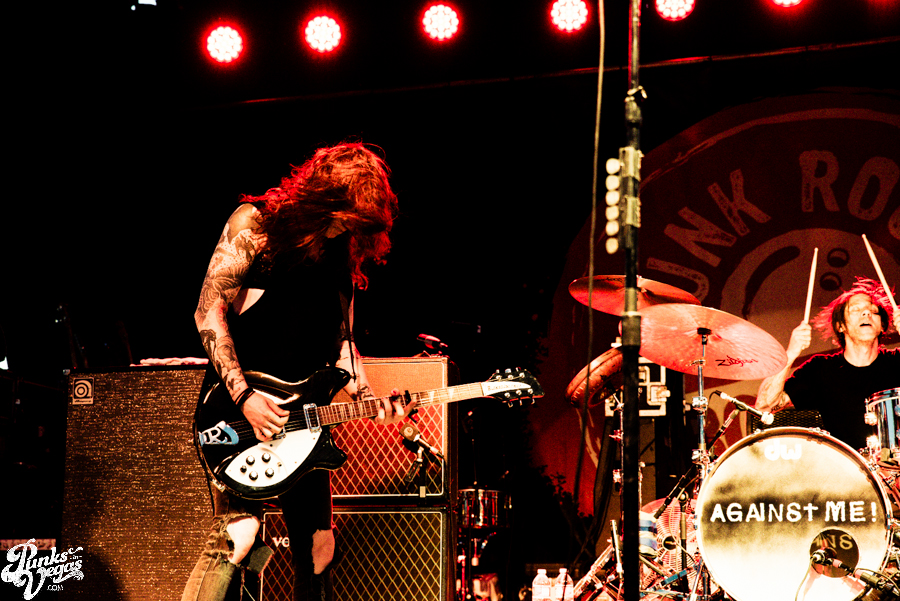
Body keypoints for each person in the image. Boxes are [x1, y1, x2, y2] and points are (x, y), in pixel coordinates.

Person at [182, 142, 411, 601]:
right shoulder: (256, 224)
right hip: (235, 412)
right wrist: (246, 398)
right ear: (323, 195)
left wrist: (369, 399)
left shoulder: (341, 252)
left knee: (320, 547)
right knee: (240, 535)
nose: (346, 228)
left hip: (305, 421)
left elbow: (343, 344)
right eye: (344, 216)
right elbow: (208, 311)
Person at [756, 277, 900, 451]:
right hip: (846, 465)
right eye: (856, 309)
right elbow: (764, 405)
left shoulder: (897, 361)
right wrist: (791, 352)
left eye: (873, 310)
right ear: (840, 326)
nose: (866, 313)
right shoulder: (821, 369)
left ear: (882, 325)